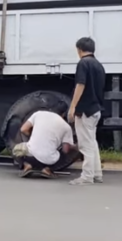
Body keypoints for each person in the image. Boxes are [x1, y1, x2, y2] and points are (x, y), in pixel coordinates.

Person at [68, 37, 106, 186]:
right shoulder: (98, 65)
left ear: (79, 49)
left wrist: (72, 107)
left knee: (85, 145)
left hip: (85, 110)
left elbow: (80, 85)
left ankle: (87, 176)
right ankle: (97, 174)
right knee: (92, 142)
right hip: (96, 109)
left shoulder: (83, 64)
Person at [12, 110, 76, 179]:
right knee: (64, 153)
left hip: (30, 156)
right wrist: (76, 147)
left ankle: (27, 165)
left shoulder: (38, 114)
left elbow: (23, 129)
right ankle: (47, 170)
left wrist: (32, 137)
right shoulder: (67, 128)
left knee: (17, 149)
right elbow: (65, 150)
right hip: (48, 161)